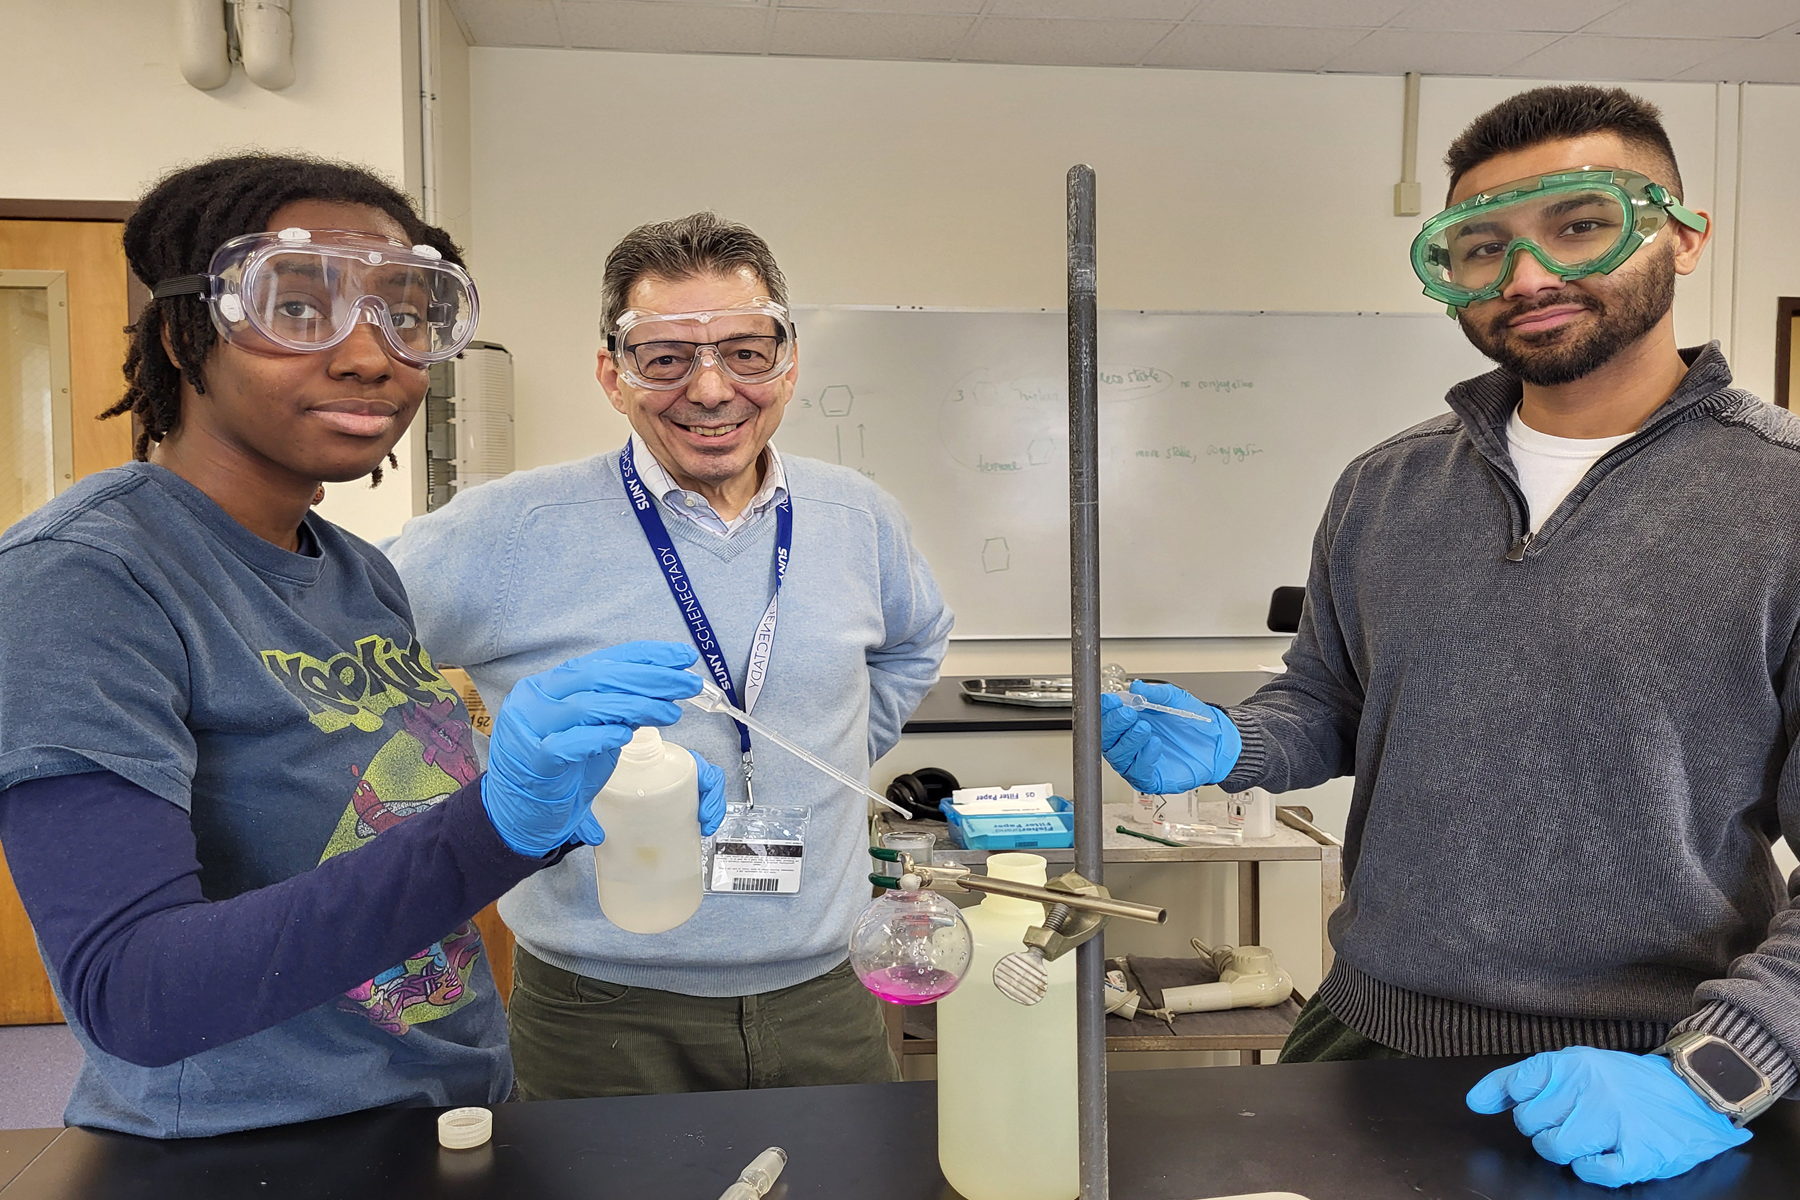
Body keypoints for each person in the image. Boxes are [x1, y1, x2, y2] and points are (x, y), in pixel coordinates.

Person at [1100, 86, 1799, 1188]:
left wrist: (1720, 1068)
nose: (1525, 278)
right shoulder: (1386, 486)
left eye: (1578, 225)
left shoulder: (1784, 501)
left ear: (1684, 236)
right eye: (1479, 246)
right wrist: (1231, 743)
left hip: (1652, 1078)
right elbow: (1327, 697)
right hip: (1367, 1042)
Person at [0, 154, 723, 1138]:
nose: (371, 355)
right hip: (254, 1151)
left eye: (407, 313)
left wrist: (568, 800)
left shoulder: (355, 570)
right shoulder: (85, 577)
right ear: (181, 333)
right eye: (299, 309)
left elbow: (378, 827)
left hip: (447, 1109)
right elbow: (133, 993)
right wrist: (498, 822)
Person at [385, 212, 952, 1099]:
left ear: (789, 361)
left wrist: (825, 752)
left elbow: (917, 641)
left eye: (746, 351)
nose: (713, 388)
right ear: (613, 375)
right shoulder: (508, 531)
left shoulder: (857, 517)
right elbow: (339, 664)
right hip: (598, 1008)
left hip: (827, 992)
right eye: (666, 357)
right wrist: (485, 783)